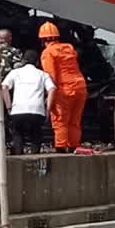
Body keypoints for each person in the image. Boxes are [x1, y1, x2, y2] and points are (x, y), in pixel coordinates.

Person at [39, 22, 87, 153]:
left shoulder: (48, 53)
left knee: (60, 120)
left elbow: (51, 76)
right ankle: (73, 146)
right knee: (75, 120)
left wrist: (49, 96)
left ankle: (60, 148)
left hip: (64, 90)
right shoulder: (69, 47)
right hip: (80, 87)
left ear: (42, 39)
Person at [1, 50, 56, 155]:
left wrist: (8, 106)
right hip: (37, 110)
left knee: (18, 133)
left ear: (23, 61)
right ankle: (35, 155)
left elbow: (4, 87)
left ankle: (18, 154)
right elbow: (52, 89)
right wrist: (47, 109)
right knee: (36, 133)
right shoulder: (43, 74)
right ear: (37, 62)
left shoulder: (15, 72)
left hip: (18, 109)